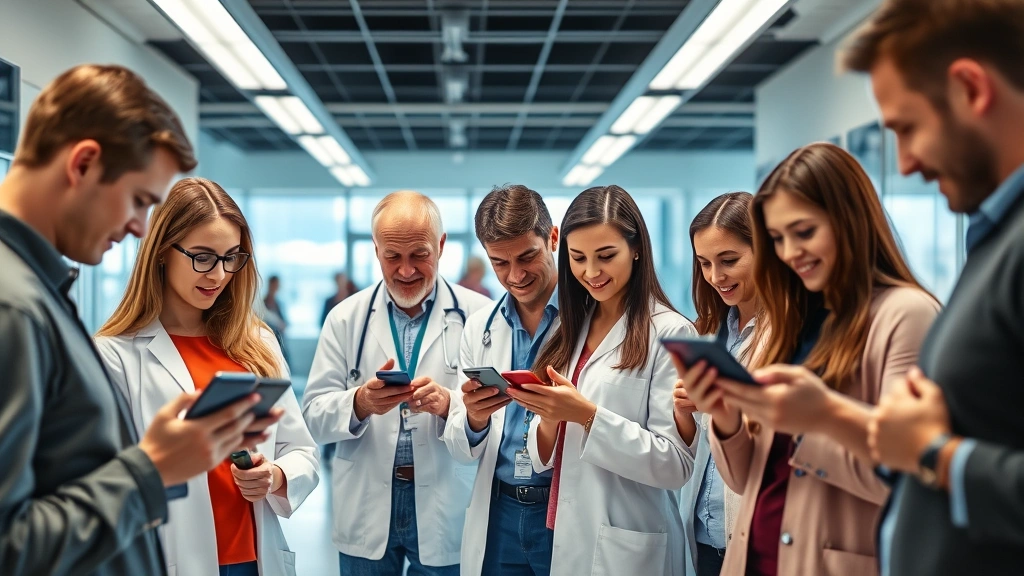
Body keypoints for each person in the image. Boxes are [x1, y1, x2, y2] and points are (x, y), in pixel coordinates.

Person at [0, 64, 279, 575]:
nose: (135, 228)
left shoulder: (39, 293)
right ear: (83, 164)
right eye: (138, 200)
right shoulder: (14, 306)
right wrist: (151, 469)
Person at [677, 143, 939, 575]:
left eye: (804, 232)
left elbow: (910, 476)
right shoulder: (790, 321)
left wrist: (816, 421)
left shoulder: (904, 314)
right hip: (754, 557)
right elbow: (746, 480)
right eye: (778, 239)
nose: (789, 252)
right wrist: (723, 416)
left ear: (849, 220)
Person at [841, 1, 1024, 574]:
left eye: (907, 128)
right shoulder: (996, 235)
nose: (907, 163)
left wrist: (935, 455)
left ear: (971, 88)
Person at [94, 177, 320, 576]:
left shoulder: (257, 343)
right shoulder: (116, 354)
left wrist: (276, 476)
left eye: (232, 257)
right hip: (171, 558)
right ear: (162, 251)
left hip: (256, 558)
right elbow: (102, 479)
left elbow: (301, 450)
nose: (218, 274)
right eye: (202, 257)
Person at [507, 184, 697, 576]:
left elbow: (675, 465)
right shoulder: (572, 327)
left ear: (637, 249)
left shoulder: (672, 333)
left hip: (632, 544)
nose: (591, 273)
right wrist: (549, 417)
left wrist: (587, 416)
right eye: (578, 258)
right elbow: (545, 457)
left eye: (606, 256)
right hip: (569, 537)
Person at [302, 190, 492, 575]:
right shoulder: (344, 319)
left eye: (419, 254)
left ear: (440, 246)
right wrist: (360, 403)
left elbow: (498, 416)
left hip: (446, 498)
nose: (406, 270)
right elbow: (312, 418)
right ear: (376, 251)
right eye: (393, 256)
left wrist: (449, 404)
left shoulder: (480, 317)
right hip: (367, 500)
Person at [443, 184, 560, 576]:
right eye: (500, 263)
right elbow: (461, 445)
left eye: (528, 256)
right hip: (501, 511)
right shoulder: (480, 327)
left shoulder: (589, 323)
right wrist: (474, 419)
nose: (516, 275)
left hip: (560, 509)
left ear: (553, 237)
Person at [675, 192, 755, 576]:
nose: (716, 277)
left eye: (729, 261)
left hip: (754, 535)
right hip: (705, 535)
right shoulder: (708, 331)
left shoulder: (789, 335)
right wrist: (684, 410)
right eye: (704, 263)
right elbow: (696, 445)